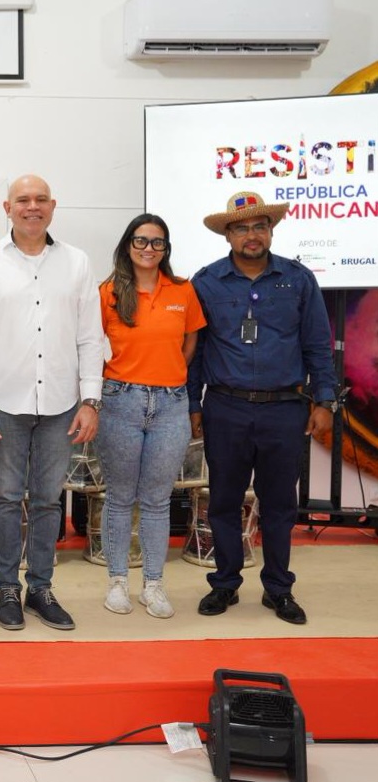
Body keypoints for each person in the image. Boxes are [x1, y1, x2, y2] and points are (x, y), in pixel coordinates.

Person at [0, 174, 103, 631]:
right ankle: (7, 591)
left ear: (53, 207)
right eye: (23, 200)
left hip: (61, 402)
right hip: (4, 404)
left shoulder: (77, 264)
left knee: (46, 501)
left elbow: (90, 337)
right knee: (5, 499)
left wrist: (90, 399)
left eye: (40, 199)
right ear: (7, 207)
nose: (32, 206)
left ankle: (41, 587)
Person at [188, 191, 336, 625]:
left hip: (284, 409)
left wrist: (324, 400)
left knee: (278, 505)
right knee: (224, 501)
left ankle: (278, 589)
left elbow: (317, 346)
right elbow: (195, 352)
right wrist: (192, 406)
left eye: (259, 226)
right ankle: (225, 584)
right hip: (225, 408)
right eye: (241, 228)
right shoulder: (206, 282)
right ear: (227, 235)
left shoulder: (298, 279)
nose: (251, 235)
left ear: (271, 230)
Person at [95, 214, 206, 619]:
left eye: (157, 243)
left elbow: (191, 339)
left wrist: (170, 373)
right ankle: (118, 582)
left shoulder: (182, 290)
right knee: (121, 497)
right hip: (120, 401)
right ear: (128, 245)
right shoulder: (107, 293)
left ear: (166, 249)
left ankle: (154, 585)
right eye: (141, 241)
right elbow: (91, 345)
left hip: (171, 404)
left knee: (158, 500)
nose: (148, 248)